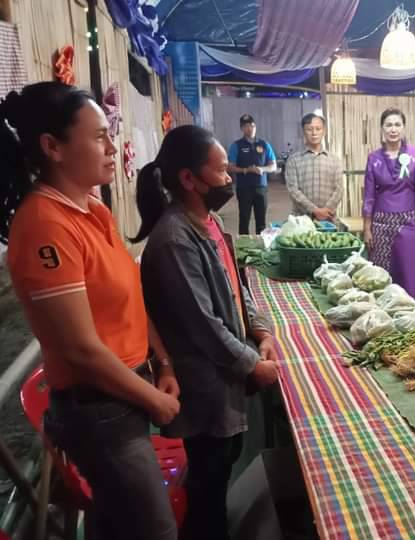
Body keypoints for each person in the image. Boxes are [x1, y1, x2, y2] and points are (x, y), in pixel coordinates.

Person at [0, 82, 179, 540]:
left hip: (127, 391)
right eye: (99, 136)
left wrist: (162, 362)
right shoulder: (45, 226)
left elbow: (129, 295)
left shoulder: (91, 210)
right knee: (154, 531)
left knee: (116, 522)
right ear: (53, 147)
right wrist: (153, 400)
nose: (112, 147)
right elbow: (80, 350)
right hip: (101, 412)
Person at [131, 125, 280, 540]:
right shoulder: (175, 239)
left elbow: (235, 287)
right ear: (189, 179)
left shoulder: (207, 221)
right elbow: (203, 325)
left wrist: (261, 331)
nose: (229, 178)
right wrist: (252, 365)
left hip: (223, 379)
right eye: (221, 171)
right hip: (205, 387)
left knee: (221, 468)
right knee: (209, 485)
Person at [362, 108, 415, 302]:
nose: (393, 129)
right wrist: (367, 229)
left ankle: (412, 313)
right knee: (380, 276)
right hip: (380, 225)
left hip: (409, 224)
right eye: (388, 125)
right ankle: (380, 314)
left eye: (397, 124)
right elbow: (369, 196)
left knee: (410, 273)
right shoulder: (374, 158)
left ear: (403, 128)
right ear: (382, 129)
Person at [284, 113, 343, 220]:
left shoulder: (335, 160)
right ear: (303, 132)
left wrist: (326, 210)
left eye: (318, 129)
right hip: (301, 220)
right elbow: (293, 190)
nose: (314, 133)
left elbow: (339, 189)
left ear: (324, 131)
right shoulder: (293, 160)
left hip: (328, 220)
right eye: (309, 129)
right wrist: (315, 210)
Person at [227, 114, 277, 234]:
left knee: (261, 221)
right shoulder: (236, 146)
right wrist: (246, 170)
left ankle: (261, 243)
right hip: (244, 189)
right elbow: (230, 167)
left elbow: (273, 166)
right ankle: (243, 244)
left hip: (261, 188)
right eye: (246, 126)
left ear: (255, 126)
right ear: (241, 128)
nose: (249, 128)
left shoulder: (264, 145)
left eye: (252, 125)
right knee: (244, 219)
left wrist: (263, 169)